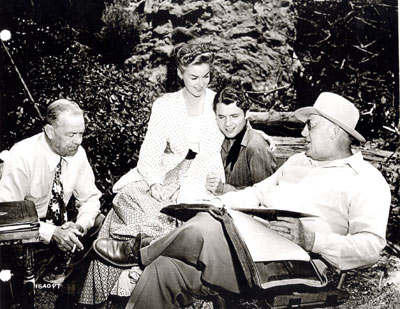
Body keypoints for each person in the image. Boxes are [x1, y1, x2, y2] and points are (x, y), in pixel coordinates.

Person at [94, 92, 391, 308]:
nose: (303, 132)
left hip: (296, 266)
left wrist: (313, 240)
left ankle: (141, 249)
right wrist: (219, 204)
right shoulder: (299, 162)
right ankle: (151, 255)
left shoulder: (365, 180)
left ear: (335, 131)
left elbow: (371, 247)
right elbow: (258, 192)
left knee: (207, 226)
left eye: (310, 126)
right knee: (164, 269)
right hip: (248, 249)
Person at [79, 43, 225, 305]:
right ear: (180, 73)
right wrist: (156, 182)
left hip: (202, 175)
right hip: (169, 171)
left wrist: (216, 176)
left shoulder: (218, 103)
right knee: (127, 196)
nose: (201, 83)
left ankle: (139, 250)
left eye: (206, 76)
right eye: (194, 77)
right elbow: (151, 151)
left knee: (167, 212)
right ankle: (131, 253)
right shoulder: (166, 105)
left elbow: (232, 133)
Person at [0, 99, 102, 305]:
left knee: (100, 222)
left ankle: (68, 293)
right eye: (71, 135)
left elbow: (90, 198)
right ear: (49, 130)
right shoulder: (22, 155)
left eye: (81, 133)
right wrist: (51, 233)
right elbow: (7, 216)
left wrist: (80, 225)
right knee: (14, 287)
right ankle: (24, 290)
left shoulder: (77, 154)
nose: (78, 141)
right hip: (28, 231)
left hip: (62, 223)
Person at [206, 85, 277, 194]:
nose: (227, 124)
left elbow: (265, 195)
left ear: (246, 114)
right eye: (221, 117)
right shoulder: (221, 139)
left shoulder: (256, 148)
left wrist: (223, 189)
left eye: (234, 116)